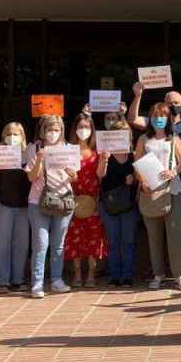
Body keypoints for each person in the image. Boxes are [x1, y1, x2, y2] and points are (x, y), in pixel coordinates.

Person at [135, 103, 181, 291]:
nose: (159, 118)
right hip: (151, 191)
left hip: (173, 190)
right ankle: (158, 274)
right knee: (154, 235)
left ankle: (179, 275)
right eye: (155, 115)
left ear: (168, 119)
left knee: (174, 234)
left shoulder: (174, 139)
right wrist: (142, 182)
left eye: (163, 115)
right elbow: (137, 163)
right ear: (150, 117)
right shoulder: (143, 139)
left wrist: (174, 171)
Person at [25, 115, 78, 299]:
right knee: (41, 243)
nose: (52, 133)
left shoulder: (69, 149)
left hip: (63, 199)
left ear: (61, 131)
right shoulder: (34, 148)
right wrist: (39, 159)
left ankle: (56, 280)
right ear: (42, 130)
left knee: (58, 244)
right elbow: (31, 178)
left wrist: (72, 174)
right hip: (38, 200)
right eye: (49, 129)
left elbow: (74, 177)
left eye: (56, 130)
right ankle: (37, 283)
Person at [65, 114, 107, 288]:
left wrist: (104, 160)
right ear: (74, 129)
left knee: (93, 239)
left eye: (87, 127)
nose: (84, 130)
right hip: (73, 201)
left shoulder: (97, 151)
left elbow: (100, 175)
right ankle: (77, 274)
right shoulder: (68, 151)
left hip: (92, 201)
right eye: (80, 126)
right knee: (74, 239)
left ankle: (91, 274)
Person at [97, 117, 138, 288]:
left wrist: (134, 178)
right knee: (113, 241)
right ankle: (114, 276)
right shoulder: (105, 154)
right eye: (117, 133)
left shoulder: (133, 155)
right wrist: (104, 159)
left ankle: (127, 275)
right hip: (109, 203)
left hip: (128, 203)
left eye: (124, 133)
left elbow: (141, 176)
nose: (121, 136)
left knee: (128, 240)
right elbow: (100, 175)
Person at [0, 122, 31, 294]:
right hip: (5, 204)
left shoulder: (28, 153)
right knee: (2, 244)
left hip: (24, 205)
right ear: (3, 136)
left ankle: (17, 280)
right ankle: (2, 281)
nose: (12, 137)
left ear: (22, 136)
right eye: (8, 134)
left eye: (16, 134)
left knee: (21, 244)